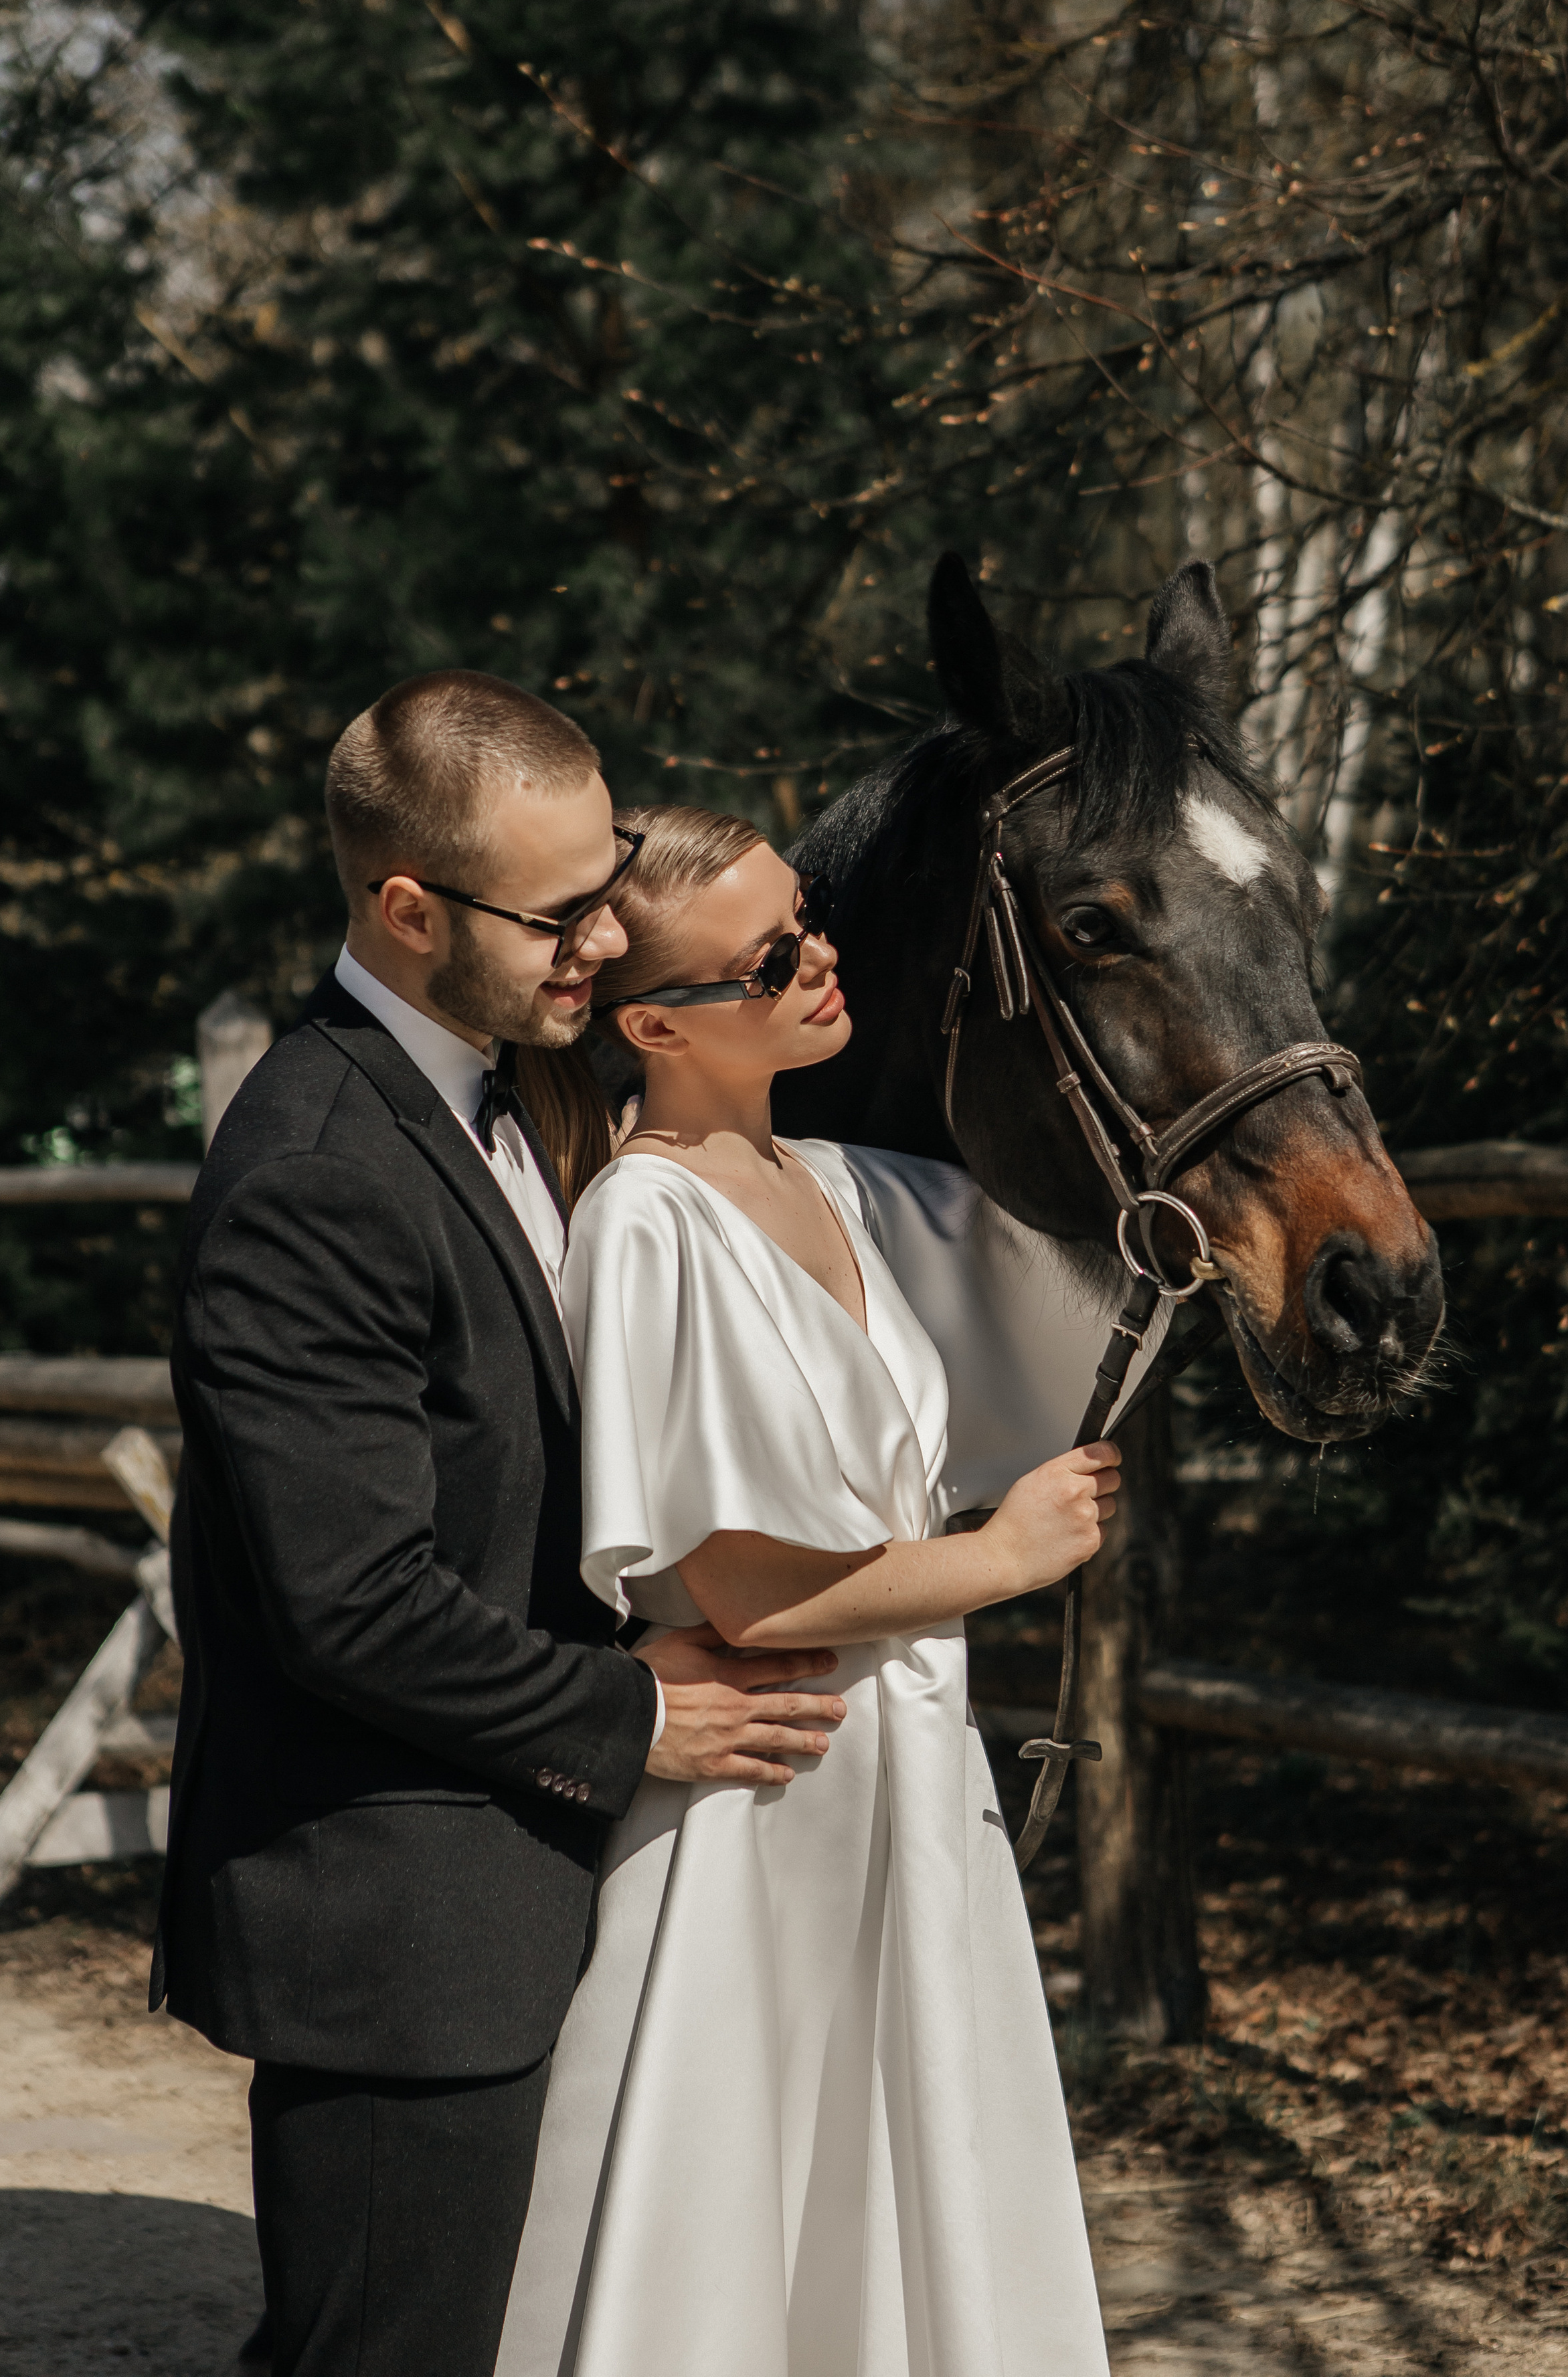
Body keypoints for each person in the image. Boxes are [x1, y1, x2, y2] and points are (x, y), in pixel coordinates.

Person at [155, 679, 846, 2377]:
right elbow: (351, 1599)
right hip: (405, 1918)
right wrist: (643, 1716)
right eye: (559, 911)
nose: (604, 936)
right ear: (404, 910)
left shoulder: (517, 1090)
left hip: (528, 1883)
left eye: (607, 875)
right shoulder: (321, 1166)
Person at [499, 806, 1122, 2377]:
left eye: (812, 925)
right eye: (770, 958)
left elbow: (1094, 1249)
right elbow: (738, 1587)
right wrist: (1000, 1557)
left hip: (904, 1774)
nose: (818, 962)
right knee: (739, 2220)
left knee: (900, 2204)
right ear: (650, 1023)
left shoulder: (836, 1182)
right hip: (768, 1800)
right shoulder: (646, 1226)